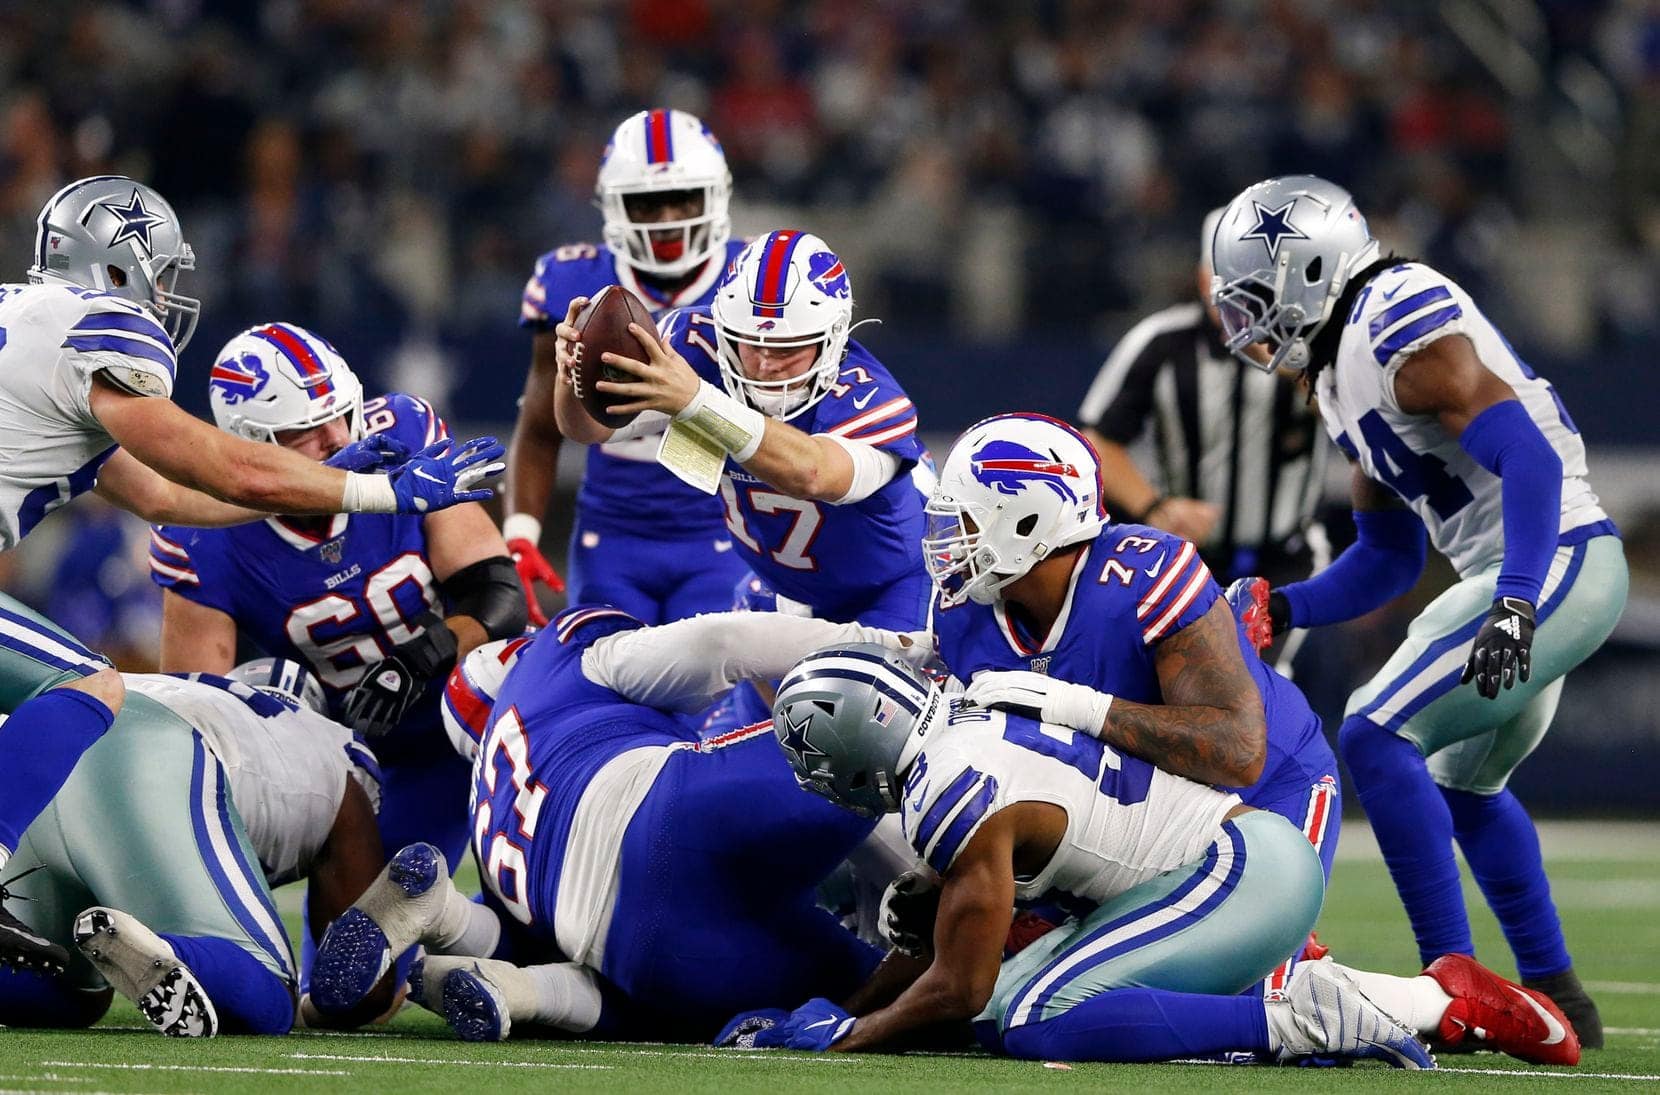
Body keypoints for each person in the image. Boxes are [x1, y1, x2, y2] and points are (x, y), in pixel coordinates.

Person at [0, 176, 500, 973]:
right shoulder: (100, 329)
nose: (166, 295)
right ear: (120, 269)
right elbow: (235, 476)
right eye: (159, 274)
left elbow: (168, 491)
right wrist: (380, 490)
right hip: (342, 743)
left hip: (439, 730)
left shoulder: (25, 320)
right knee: (85, 687)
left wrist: (340, 482)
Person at [1209, 175, 1625, 1047]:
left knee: (1374, 732)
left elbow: (1531, 460)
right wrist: (1288, 606)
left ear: (1309, 266)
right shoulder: (1338, 376)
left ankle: (1451, 982)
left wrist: (1515, 598)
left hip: (1555, 556)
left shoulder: (1394, 313)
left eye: (1254, 296)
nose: (1246, 324)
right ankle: (1559, 995)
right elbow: (1389, 558)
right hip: (1517, 567)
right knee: (1466, 788)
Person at [737, 643, 1577, 1068]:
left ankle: (1294, 1019)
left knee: (1030, 1019)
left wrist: (847, 1039)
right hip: (1210, 869)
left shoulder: (944, 790)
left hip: (1237, 871)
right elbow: (945, 952)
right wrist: (850, 1006)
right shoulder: (962, 730)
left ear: (849, 745)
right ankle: (1434, 999)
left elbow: (960, 980)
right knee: (1007, 1016)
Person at [308, 607, 930, 1041]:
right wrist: (891, 646)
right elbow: (720, 642)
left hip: (658, 960)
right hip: (663, 816)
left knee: (894, 1000)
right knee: (877, 723)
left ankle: (486, 959)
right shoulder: (553, 660)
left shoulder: (488, 810)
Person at [922, 413, 1339, 997]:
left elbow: (1238, 753)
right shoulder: (961, 614)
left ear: (1025, 520)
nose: (948, 536)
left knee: (1253, 1005)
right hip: (1133, 829)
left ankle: (1436, 1000)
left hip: (1265, 797)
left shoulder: (1145, 573)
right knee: (1006, 1003)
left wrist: (1079, 707)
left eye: (964, 518)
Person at [149, 322, 526, 878]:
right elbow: (195, 715)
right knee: (362, 938)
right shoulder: (202, 536)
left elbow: (498, 596)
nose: (335, 439)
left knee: (544, 884)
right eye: (307, 430)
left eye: (339, 414)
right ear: (252, 445)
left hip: (476, 705)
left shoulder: (401, 433)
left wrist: (419, 659)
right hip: (373, 752)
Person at [554, 229, 930, 630]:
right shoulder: (697, 347)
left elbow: (813, 474)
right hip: (777, 587)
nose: (767, 363)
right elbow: (590, 427)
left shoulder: (870, 399)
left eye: (788, 348)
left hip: (891, 589)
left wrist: (698, 402)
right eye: (750, 344)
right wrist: (573, 375)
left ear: (833, 338)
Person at [0, 658, 385, 1036]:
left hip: (54, 744)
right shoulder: (336, 748)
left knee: (68, 988)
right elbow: (358, 978)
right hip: (151, 757)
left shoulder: (189, 688)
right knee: (271, 992)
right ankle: (169, 954)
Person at [506, 109, 749, 626]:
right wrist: (520, 534)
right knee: (605, 690)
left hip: (727, 530)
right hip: (612, 537)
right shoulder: (573, 280)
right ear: (614, 206)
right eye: (648, 202)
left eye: (683, 198)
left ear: (716, 196)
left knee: (714, 700)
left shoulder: (754, 281)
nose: (667, 219)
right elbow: (541, 426)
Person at [1076, 209, 1329, 668]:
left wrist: (1285, 356)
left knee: (1253, 683)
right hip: (1186, 562)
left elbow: (1351, 410)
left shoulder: (1313, 339)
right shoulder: (1161, 342)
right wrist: (1155, 509)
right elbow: (1095, 441)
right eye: (1224, 276)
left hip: (1285, 559)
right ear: (1201, 278)